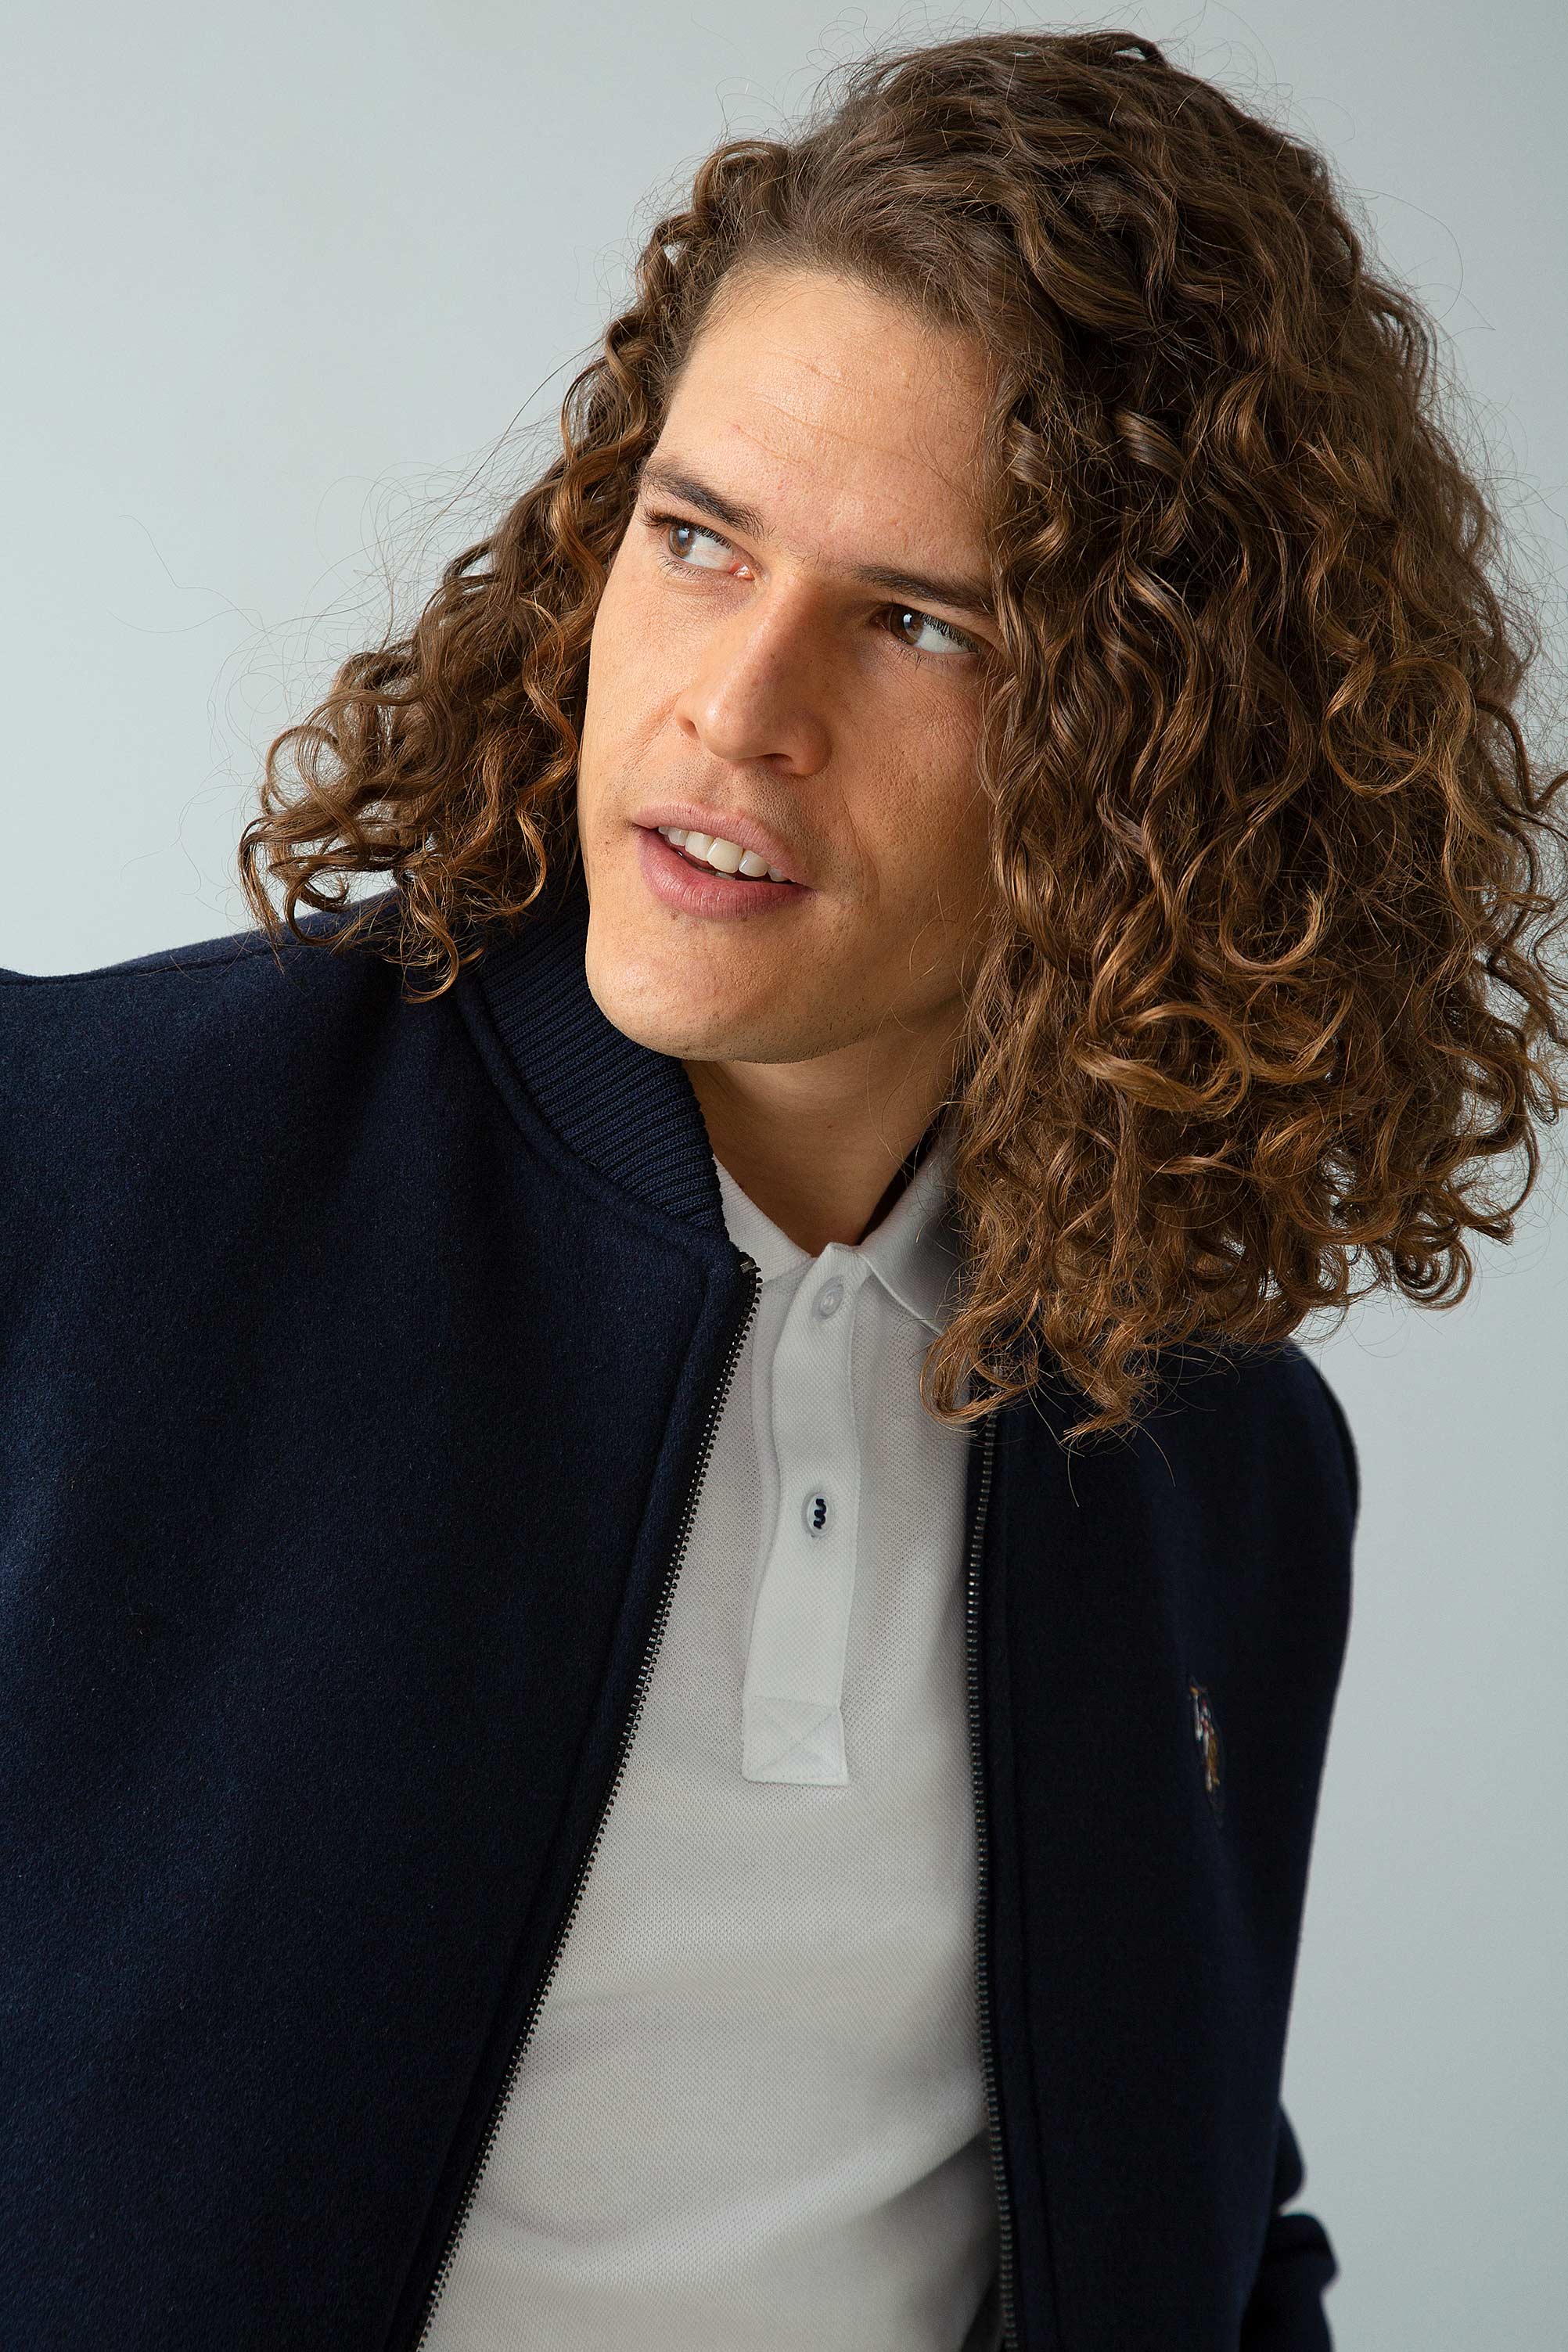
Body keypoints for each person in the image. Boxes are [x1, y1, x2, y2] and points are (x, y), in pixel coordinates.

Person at [2, 27, 1564, 2352]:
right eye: (698, 536)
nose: (737, 706)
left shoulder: (1217, 1464)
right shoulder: (83, 1177)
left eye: (920, 620)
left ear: (1160, 754)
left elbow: (1204, 2234)